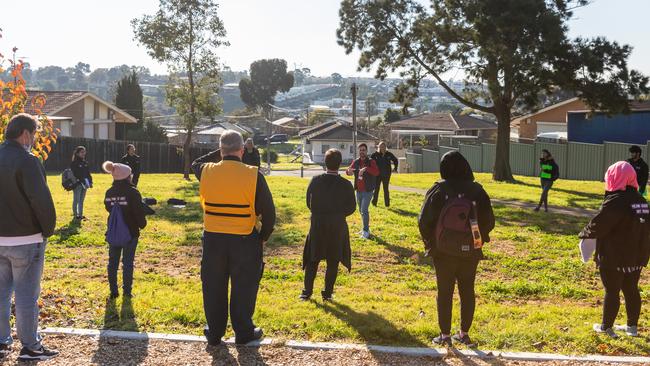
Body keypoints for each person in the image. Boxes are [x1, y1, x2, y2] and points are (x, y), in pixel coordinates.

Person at [192, 130, 276, 346]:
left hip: (213, 238)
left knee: (213, 285)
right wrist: (263, 237)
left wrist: (222, 151)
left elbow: (195, 162)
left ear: (220, 150)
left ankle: (215, 331)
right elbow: (269, 211)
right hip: (244, 238)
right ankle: (243, 331)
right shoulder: (253, 174)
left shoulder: (206, 170)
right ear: (242, 150)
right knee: (244, 285)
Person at [418, 151, 495, 347]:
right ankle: (464, 333)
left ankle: (444, 335)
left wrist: (431, 243)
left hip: (442, 251)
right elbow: (489, 221)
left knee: (444, 291)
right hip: (470, 250)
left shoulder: (438, 190)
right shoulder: (477, 191)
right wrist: (480, 239)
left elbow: (424, 221)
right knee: (467, 290)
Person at [0, 113, 59, 361]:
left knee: (1, 293)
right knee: (26, 295)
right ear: (25, 134)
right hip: (26, 238)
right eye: (34, 135)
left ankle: (2, 340)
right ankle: (31, 345)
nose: (34, 140)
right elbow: (40, 200)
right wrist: (47, 229)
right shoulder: (27, 160)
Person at [579, 161, 650, 338]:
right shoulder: (641, 201)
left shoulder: (614, 201)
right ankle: (632, 328)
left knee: (612, 290)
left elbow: (599, 225)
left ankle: (606, 327)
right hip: (635, 257)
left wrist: (585, 236)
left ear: (612, 177)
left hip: (613, 256)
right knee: (631, 289)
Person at [301, 149, 356, 301]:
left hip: (318, 223)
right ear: (340, 163)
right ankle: (327, 293)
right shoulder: (346, 184)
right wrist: (339, 215)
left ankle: (307, 291)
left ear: (325, 162)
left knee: (313, 259)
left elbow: (308, 202)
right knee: (333, 260)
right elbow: (352, 207)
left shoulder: (315, 180)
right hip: (337, 225)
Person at [103, 161, 147, 299]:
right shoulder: (133, 192)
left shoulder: (109, 192)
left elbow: (108, 208)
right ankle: (127, 292)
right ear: (127, 176)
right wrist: (142, 224)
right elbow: (138, 211)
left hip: (114, 230)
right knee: (127, 263)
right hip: (130, 231)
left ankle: (113, 291)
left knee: (113, 262)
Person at [346, 143, 379, 239]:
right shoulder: (356, 162)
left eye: (364, 150)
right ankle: (366, 228)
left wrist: (366, 169)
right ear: (358, 151)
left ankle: (365, 231)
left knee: (364, 210)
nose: (362, 152)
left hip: (368, 191)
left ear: (366, 151)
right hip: (358, 190)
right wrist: (349, 172)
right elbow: (348, 171)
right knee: (361, 210)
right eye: (360, 150)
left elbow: (376, 172)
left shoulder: (371, 162)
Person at [371, 141, 399, 207]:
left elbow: (395, 160)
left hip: (386, 174)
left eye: (384, 147)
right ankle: (374, 203)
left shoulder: (388, 154)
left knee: (386, 189)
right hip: (377, 175)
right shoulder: (375, 154)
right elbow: (370, 162)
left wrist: (395, 168)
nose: (382, 148)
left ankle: (387, 204)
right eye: (381, 146)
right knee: (376, 189)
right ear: (379, 147)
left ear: (386, 147)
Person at [71, 146, 93, 220]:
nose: (84, 153)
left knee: (81, 200)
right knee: (76, 199)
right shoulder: (74, 163)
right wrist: (81, 180)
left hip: (85, 184)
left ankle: (80, 215)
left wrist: (90, 181)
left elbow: (88, 173)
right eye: (82, 152)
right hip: (78, 184)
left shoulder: (85, 162)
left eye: (84, 152)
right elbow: (75, 174)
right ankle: (75, 215)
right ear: (77, 153)